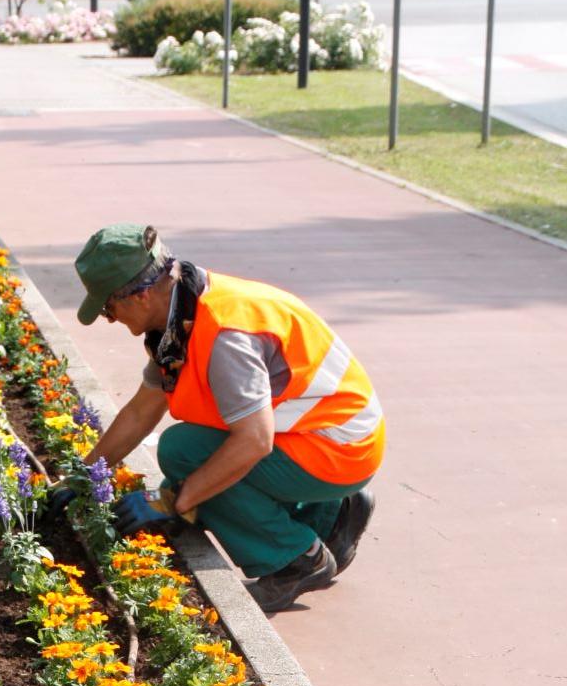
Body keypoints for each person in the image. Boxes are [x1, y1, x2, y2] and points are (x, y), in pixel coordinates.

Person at [74, 224, 382, 614]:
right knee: (193, 463)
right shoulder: (183, 311)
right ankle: (332, 513)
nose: (109, 319)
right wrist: (85, 473)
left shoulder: (223, 334)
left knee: (184, 454)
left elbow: (254, 441)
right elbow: (142, 410)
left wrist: (175, 500)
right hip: (333, 433)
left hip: (337, 449)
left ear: (141, 294)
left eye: (107, 307)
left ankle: (296, 561)